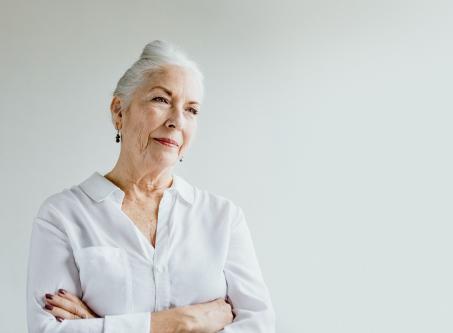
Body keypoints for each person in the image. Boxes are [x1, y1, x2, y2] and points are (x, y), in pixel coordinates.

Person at [26, 40, 275, 333]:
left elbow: (258, 325)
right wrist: (183, 323)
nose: (177, 121)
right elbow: (48, 330)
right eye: (161, 100)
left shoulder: (223, 218)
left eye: (192, 110)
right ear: (119, 111)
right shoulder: (63, 215)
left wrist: (101, 326)